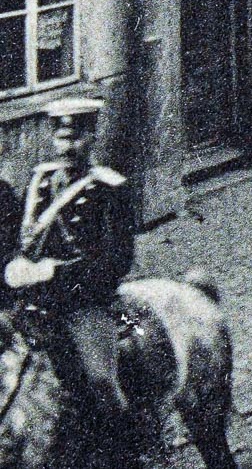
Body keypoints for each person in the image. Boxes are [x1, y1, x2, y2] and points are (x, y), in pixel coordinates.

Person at [5, 98, 135, 445]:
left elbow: (117, 261)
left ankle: (124, 452)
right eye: (61, 138)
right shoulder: (40, 181)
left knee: (101, 382)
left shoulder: (110, 188)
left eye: (76, 138)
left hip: (86, 304)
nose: (67, 147)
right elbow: (26, 238)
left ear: (92, 136)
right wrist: (16, 267)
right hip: (34, 304)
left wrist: (55, 274)